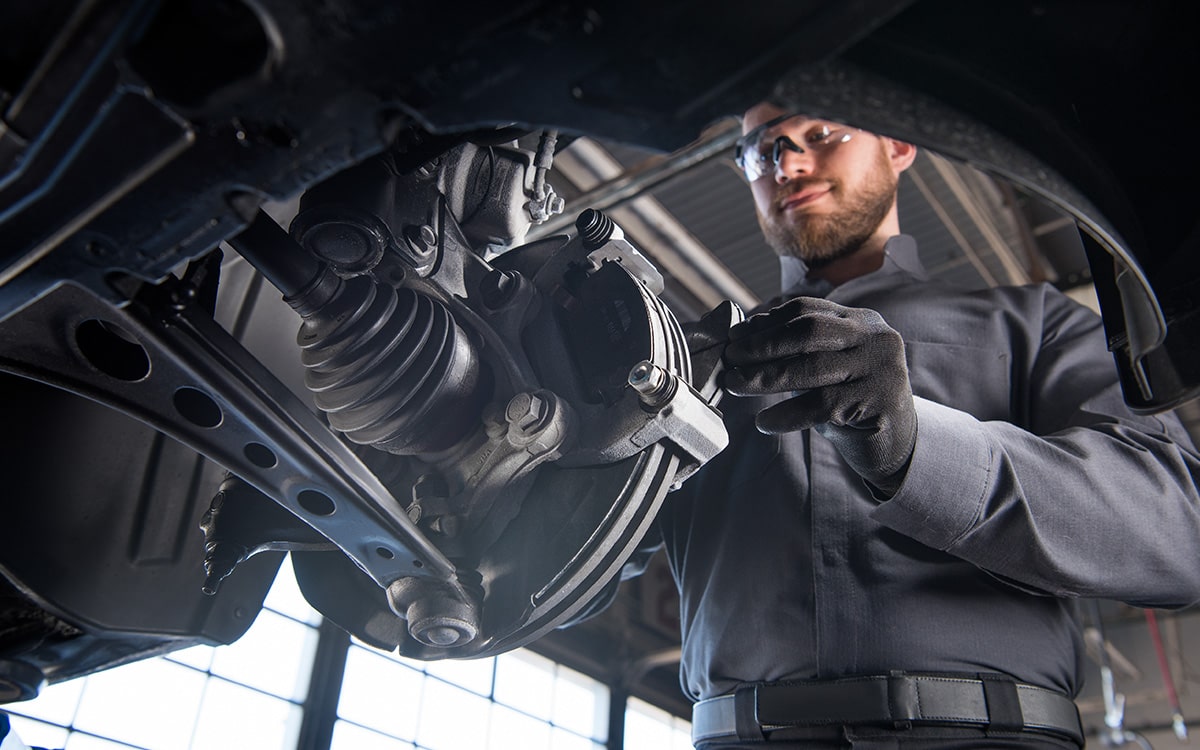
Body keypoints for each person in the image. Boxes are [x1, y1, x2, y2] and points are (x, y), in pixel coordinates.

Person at [643, 100, 1200, 749]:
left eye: (819, 133)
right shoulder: (684, 364)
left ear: (899, 146)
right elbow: (589, 558)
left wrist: (916, 446)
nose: (788, 163)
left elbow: (1179, 530)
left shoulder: (1037, 325)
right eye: (761, 151)